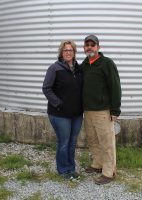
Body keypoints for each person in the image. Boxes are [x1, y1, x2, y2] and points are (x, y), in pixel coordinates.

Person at [81, 35, 122, 185]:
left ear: (98, 47)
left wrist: (115, 110)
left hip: (103, 111)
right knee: (93, 140)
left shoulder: (107, 63)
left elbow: (115, 86)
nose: (90, 47)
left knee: (106, 142)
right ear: (84, 48)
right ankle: (97, 164)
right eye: (87, 45)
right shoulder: (84, 65)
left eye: (93, 44)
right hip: (88, 111)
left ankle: (108, 172)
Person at [42, 40, 83, 180]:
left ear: (74, 52)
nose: (68, 52)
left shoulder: (78, 68)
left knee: (72, 143)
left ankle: (71, 168)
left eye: (71, 50)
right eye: (65, 50)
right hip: (59, 114)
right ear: (61, 52)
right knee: (64, 143)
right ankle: (63, 170)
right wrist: (59, 103)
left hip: (77, 114)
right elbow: (46, 88)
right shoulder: (54, 68)